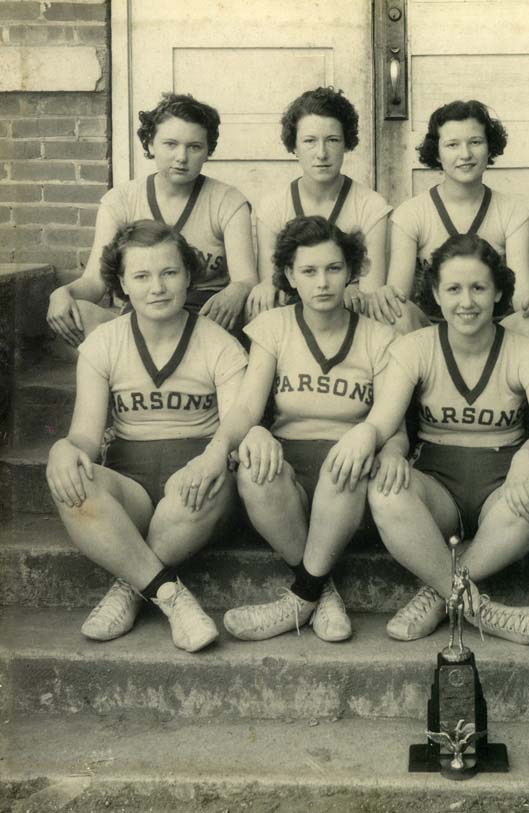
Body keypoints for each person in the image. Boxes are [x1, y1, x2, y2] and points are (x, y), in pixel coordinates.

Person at [332, 233, 529, 645]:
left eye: (478, 288)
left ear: (498, 292)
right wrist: (364, 433)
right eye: (453, 289)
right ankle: (479, 608)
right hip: (437, 480)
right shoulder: (414, 348)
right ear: (436, 294)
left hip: (501, 480)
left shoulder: (526, 352)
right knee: (384, 489)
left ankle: (440, 593)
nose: (466, 302)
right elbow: (382, 420)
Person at [176, 215, 402, 642]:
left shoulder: (379, 336)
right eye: (309, 271)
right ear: (290, 276)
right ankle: (320, 590)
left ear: (351, 272)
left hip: (349, 478)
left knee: (345, 465)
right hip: (290, 474)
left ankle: (302, 596)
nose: (323, 282)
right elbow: (246, 407)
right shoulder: (274, 327)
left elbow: (391, 422)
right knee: (253, 471)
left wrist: (389, 450)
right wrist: (219, 448)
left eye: (333, 269)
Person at [45, 220, 248, 652]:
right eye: (141, 276)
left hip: (193, 480)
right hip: (130, 485)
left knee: (208, 482)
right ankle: (171, 596)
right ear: (122, 284)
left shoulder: (220, 344)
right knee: (71, 482)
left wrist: (213, 459)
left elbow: (235, 431)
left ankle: (130, 585)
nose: (157, 287)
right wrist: (64, 449)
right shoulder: (103, 343)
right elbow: (85, 436)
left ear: (188, 276)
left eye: (169, 273)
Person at [47, 93, 256, 342]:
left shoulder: (228, 200)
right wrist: (62, 293)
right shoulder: (120, 200)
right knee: (77, 313)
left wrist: (237, 289)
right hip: (145, 313)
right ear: (149, 145)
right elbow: (95, 281)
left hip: (205, 318)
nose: (181, 157)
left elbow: (246, 278)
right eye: (170, 144)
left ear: (207, 151)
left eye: (194, 147)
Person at [370, 100, 529, 340]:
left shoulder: (512, 212)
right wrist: (387, 295)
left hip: (492, 331)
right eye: (452, 144)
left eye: (475, 142)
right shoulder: (411, 213)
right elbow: (399, 295)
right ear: (437, 152)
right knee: (395, 314)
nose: (465, 154)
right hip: (431, 332)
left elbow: (520, 297)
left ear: (489, 147)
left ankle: (496, 364)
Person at [246, 87, 392, 321]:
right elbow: (273, 281)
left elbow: (371, 288)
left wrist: (352, 290)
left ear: (346, 143)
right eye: (310, 141)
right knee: (261, 301)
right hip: (292, 311)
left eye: (332, 140)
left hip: (352, 314)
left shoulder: (370, 205)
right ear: (294, 146)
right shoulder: (273, 205)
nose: (322, 153)